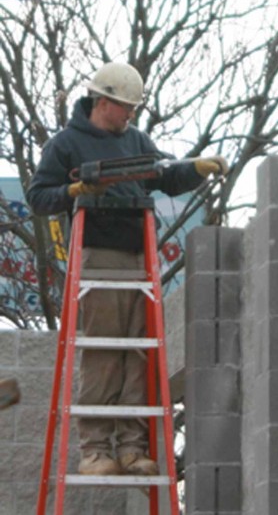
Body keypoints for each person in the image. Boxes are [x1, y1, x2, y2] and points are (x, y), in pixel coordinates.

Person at [26, 62, 228, 476]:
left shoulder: (135, 140)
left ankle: (133, 448)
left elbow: (164, 176)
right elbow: (39, 196)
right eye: (126, 108)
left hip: (141, 255)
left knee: (138, 352)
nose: (131, 116)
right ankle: (96, 449)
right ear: (103, 103)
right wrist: (74, 190)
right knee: (104, 350)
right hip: (98, 255)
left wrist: (195, 170)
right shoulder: (66, 145)